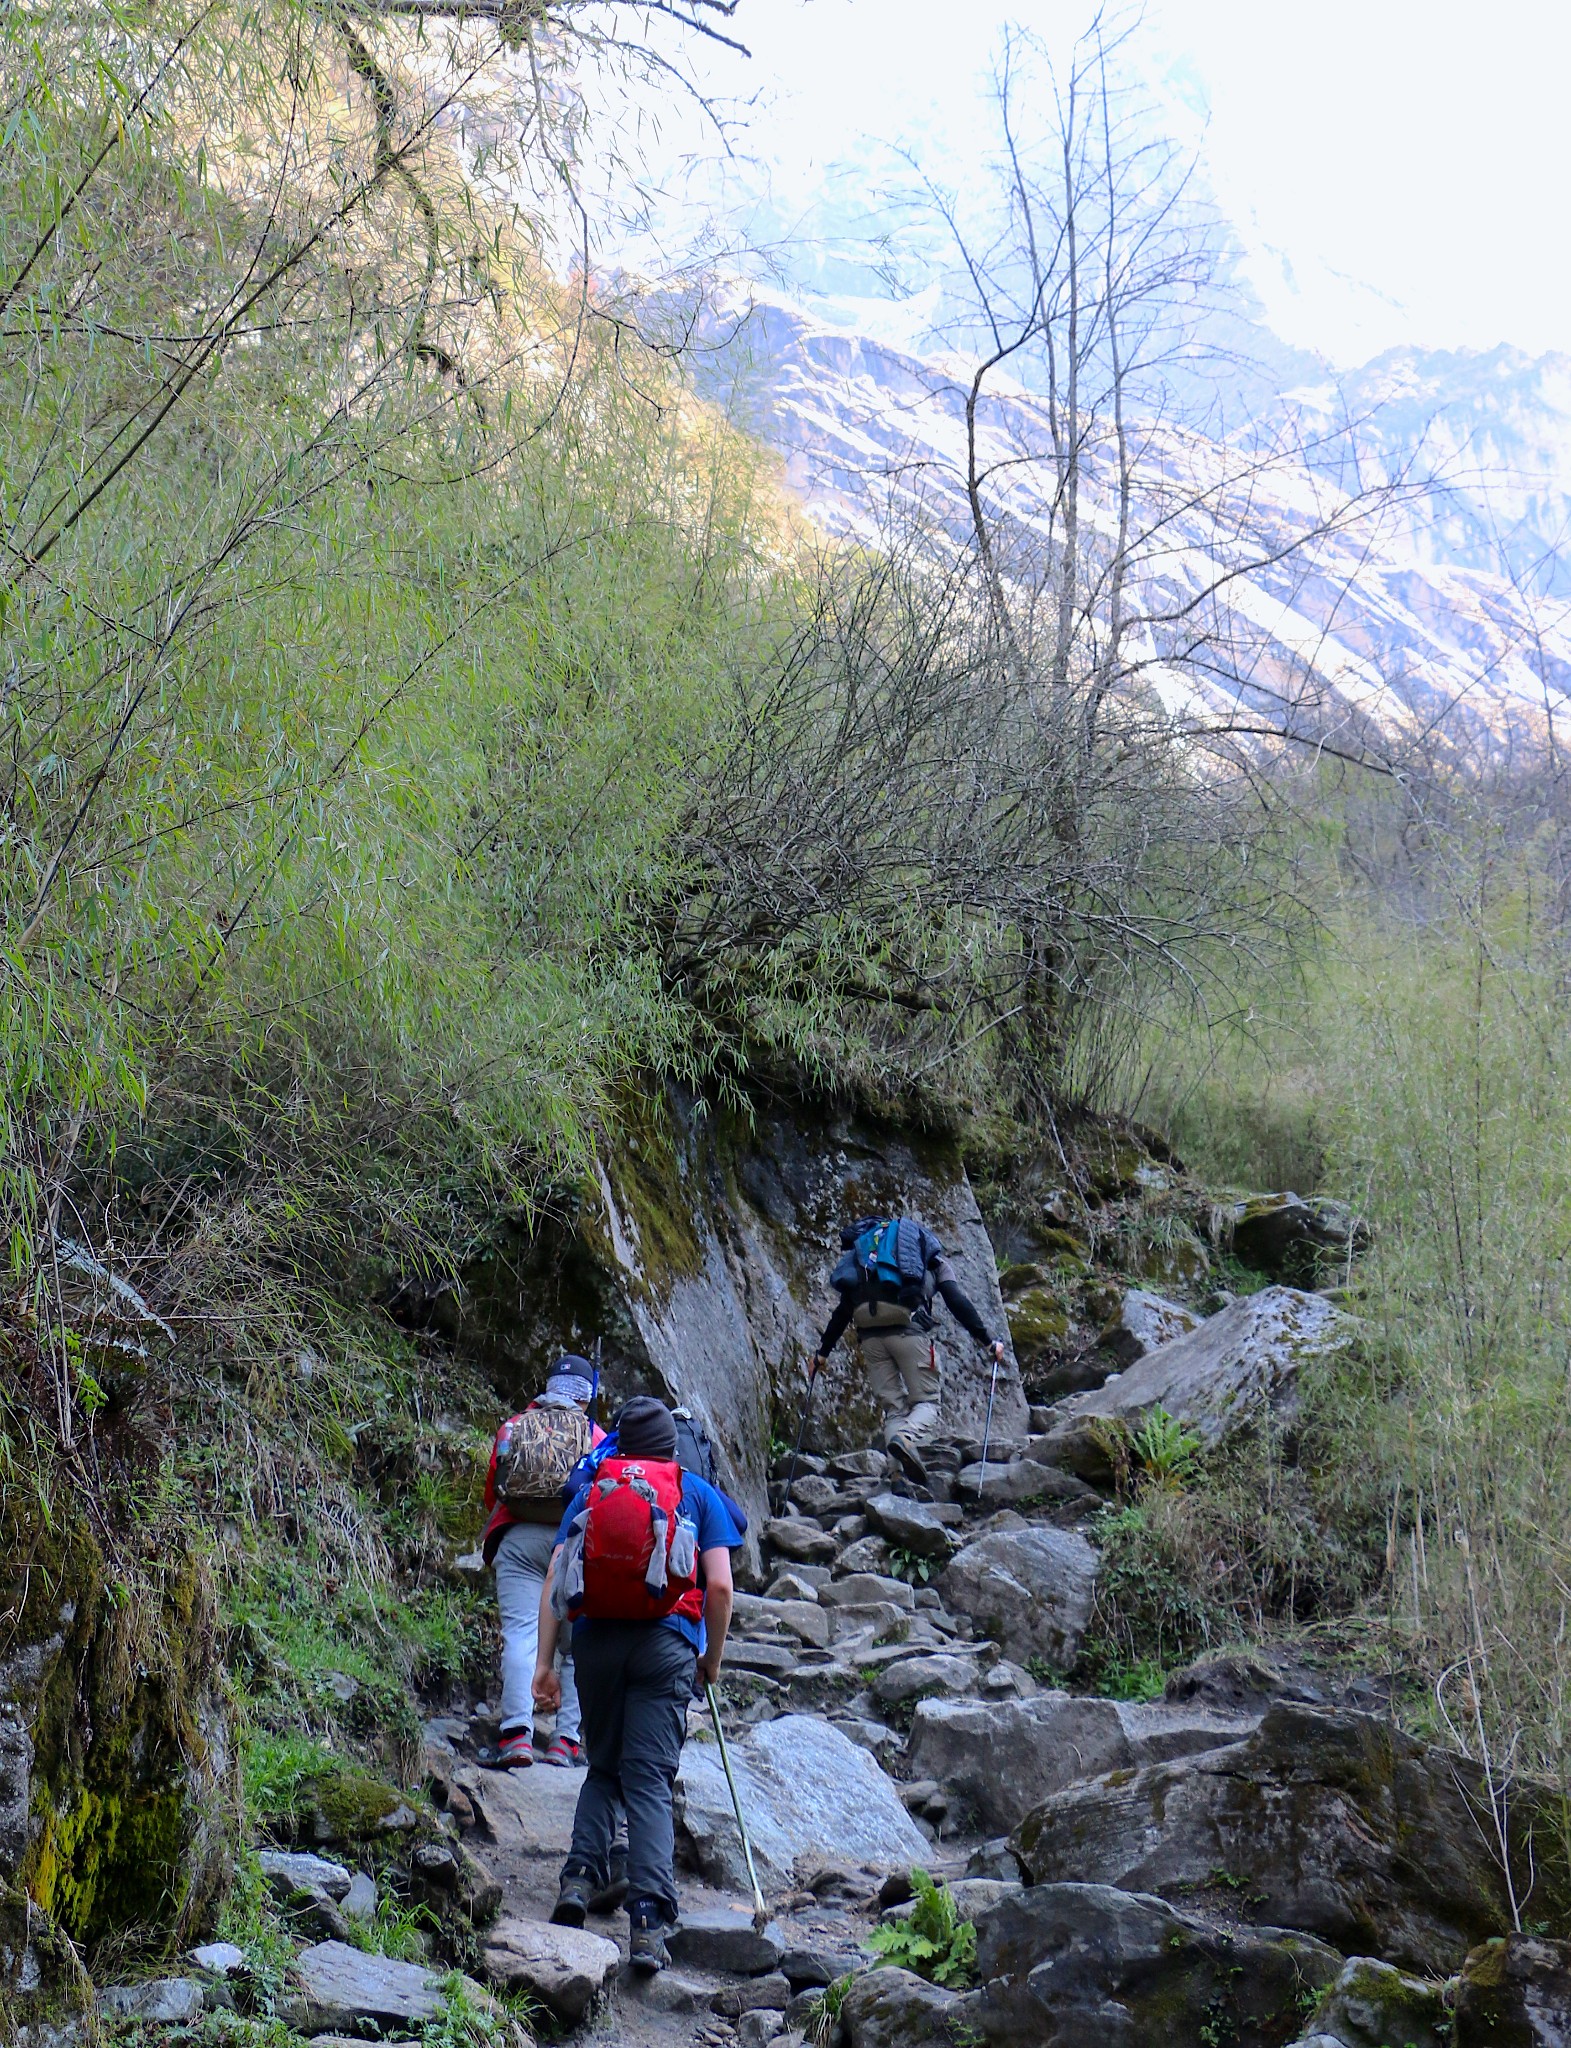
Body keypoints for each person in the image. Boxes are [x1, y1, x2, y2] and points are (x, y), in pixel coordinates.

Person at [533, 1395, 743, 1973]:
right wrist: (712, 1660)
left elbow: (558, 1573)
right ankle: (647, 1924)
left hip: (596, 1642)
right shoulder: (695, 1492)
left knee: (603, 1768)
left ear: (619, 1444)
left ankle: (577, 1882)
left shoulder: (593, 1487)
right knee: (648, 1779)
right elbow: (720, 1588)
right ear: (672, 1449)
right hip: (665, 1644)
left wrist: (545, 1664)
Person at [808, 1214, 1007, 1481]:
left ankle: (897, 1477)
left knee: (894, 1409)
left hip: (870, 1338)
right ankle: (906, 1438)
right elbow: (957, 1302)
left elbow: (843, 1311)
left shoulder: (867, 1264)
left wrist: (822, 1354)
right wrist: (988, 1341)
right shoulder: (933, 1262)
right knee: (927, 1402)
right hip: (909, 1333)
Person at [480, 1358, 603, 1768]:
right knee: (573, 1644)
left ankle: (516, 1735)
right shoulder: (597, 1436)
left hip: (518, 1539)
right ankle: (565, 1742)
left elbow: (493, 1489)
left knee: (521, 1634)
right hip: (571, 1545)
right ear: (587, 1397)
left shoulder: (514, 1427)